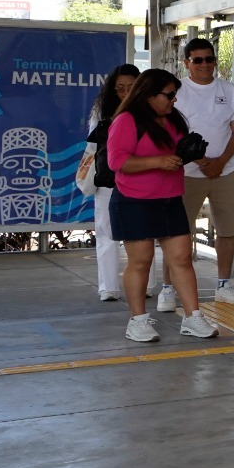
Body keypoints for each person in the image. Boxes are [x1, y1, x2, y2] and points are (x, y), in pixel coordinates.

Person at [106, 69, 219, 342]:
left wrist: (193, 154)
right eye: (169, 95)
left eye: (174, 95)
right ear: (148, 94)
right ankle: (138, 320)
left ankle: (193, 317)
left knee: (181, 259)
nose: (173, 101)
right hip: (133, 201)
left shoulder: (173, 120)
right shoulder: (126, 120)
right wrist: (157, 162)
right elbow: (116, 162)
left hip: (169, 199)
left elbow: (177, 152)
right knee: (141, 261)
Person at [176, 38, 234, 307]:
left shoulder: (228, 89)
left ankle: (223, 284)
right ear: (187, 63)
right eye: (198, 60)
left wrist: (220, 162)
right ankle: (169, 288)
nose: (205, 64)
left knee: (227, 230)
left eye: (209, 58)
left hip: (225, 171)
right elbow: (175, 132)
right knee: (179, 233)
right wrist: (202, 160)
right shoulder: (178, 91)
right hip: (186, 173)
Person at [86, 64, 139, 301]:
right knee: (106, 232)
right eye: (120, 89)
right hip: (109, 179)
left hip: (140, 179)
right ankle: (108, 287)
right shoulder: (101, 111)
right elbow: (93, 146)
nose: (125, 93)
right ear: (111, 89)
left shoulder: (151, 109)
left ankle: (145, 284)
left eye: (131, 88)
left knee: (141, 234)